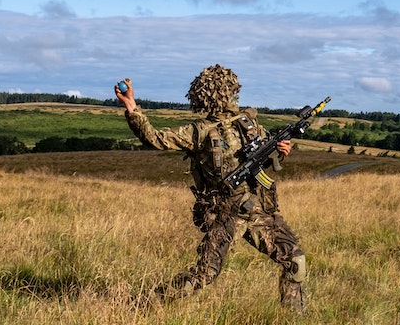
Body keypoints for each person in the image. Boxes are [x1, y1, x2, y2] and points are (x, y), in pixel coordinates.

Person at [114, 64, 307, 312]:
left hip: (258, 211)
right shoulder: (198, 131)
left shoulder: (249, 124)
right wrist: (132, 107)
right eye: (228, 90)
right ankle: (141, 305)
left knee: (295, 261)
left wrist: (281, 153)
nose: (232, 94)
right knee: (204, 275)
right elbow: (156, 138)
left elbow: (266, 162)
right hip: (226, 213)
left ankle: (292, 317)